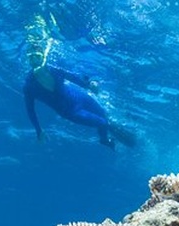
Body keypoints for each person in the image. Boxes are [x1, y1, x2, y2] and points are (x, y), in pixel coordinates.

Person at [23, 16, 135, 149]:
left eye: (38, 56)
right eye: (31, 57)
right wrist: (39, 131)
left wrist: (89, 84)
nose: (35, 60)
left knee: (105, 115)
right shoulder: (29, 87)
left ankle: (116, 136)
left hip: (81, 97)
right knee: (103, 123)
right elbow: (30, 110)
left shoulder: (53, 69)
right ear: (28, 59)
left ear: (43, 56)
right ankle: (104, 140)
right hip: (71, 111)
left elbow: (74, 77)